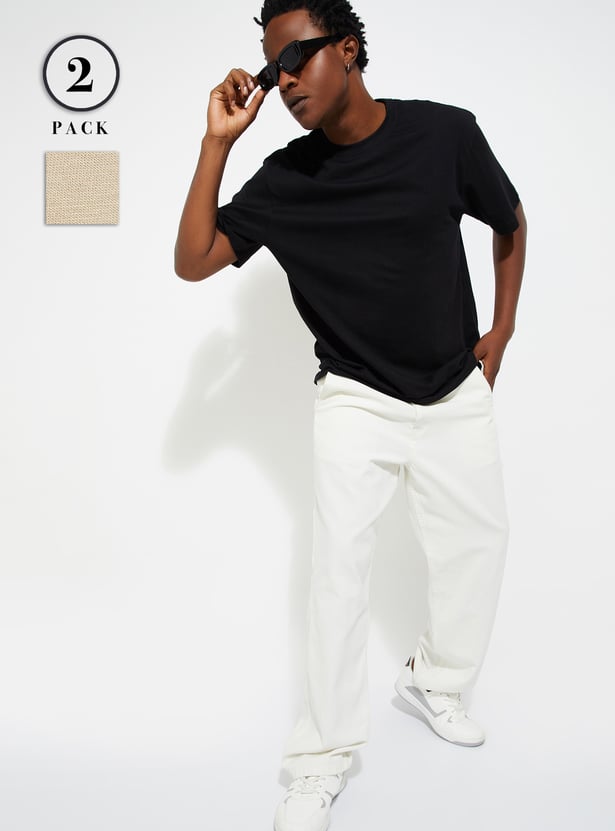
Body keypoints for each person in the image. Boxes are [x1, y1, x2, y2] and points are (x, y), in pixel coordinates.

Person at [174, 1, 527, 829]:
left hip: (452, 385)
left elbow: (507, 221)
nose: (285, 81)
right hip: (355, 396)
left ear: (348, 48)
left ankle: (433, 682)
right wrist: (217, 143)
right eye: (273, 70)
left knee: (477, 548)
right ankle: (319, 759)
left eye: (296, 57)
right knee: (338, 574)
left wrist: (502, 329)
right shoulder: (285, 180)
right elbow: (192, 261)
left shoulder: (444, 134)